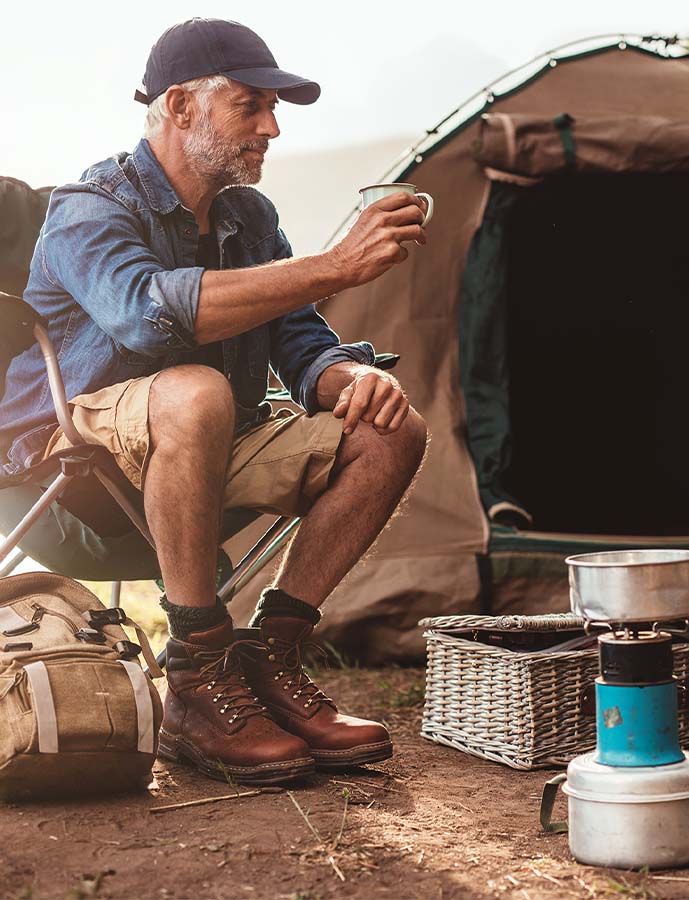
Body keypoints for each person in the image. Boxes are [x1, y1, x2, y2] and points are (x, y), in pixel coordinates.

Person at [0, 19, 431, 785]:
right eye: (250, 105)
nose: (270, 127)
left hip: (205, 447)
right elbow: (144, 313)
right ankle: (195, 679)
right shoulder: (88, 207)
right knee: (197, 391)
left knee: (388, 431)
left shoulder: (249, 219)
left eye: (274, 109)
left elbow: (298, 339)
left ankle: (269, 659)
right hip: (75, 463)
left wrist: (350, 379)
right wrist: (334, 263)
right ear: (180, 105)